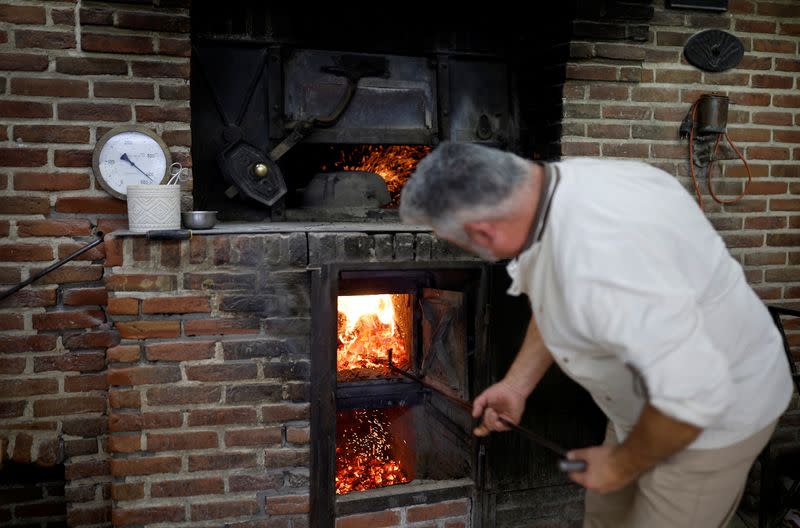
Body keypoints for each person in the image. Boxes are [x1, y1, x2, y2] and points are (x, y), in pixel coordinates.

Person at [399, 141, 792, 528]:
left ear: (483, 232)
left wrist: (620, 465)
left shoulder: (601, 263)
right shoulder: (552, 190)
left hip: (710, 420)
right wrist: (517, 386)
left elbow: (696, 393)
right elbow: (553, 295)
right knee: (605, 516)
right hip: (643, 402)